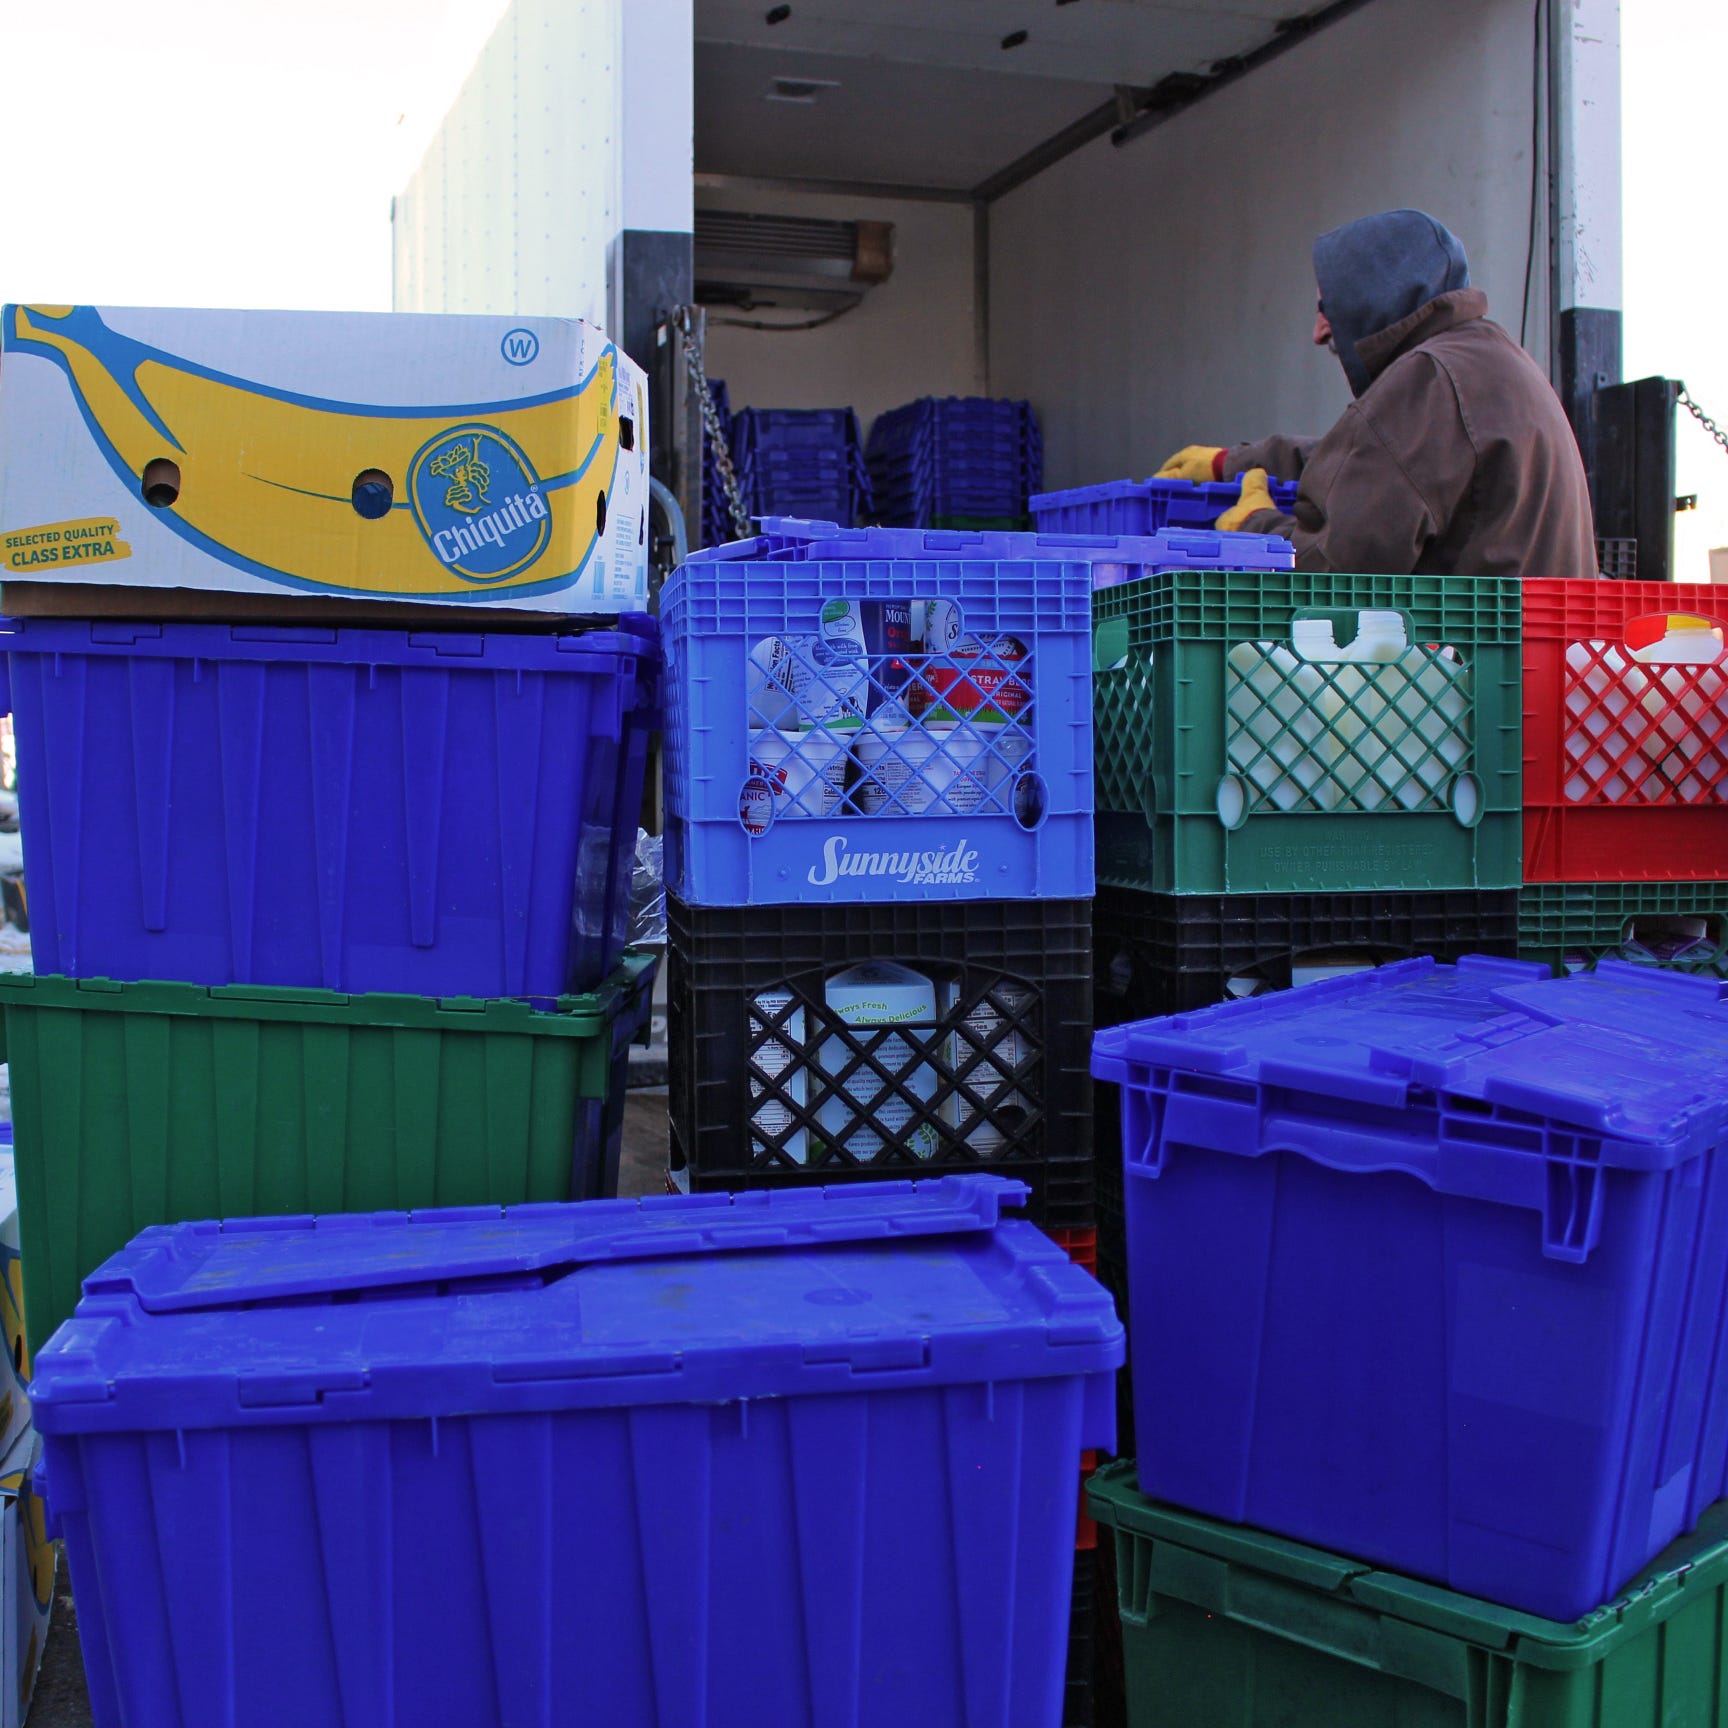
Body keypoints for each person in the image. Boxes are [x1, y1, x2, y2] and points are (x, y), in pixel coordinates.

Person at [1156, 209, 1596, 577]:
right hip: (1531, 668)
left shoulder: (1429, 380)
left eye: (1328, 307)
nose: (1318, 331)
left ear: (1377, 295)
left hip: (1471, 675)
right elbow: (1371, 460)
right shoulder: (1486, 359)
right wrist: (1230, 464)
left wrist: (1252, 528)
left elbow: (1336, 573)